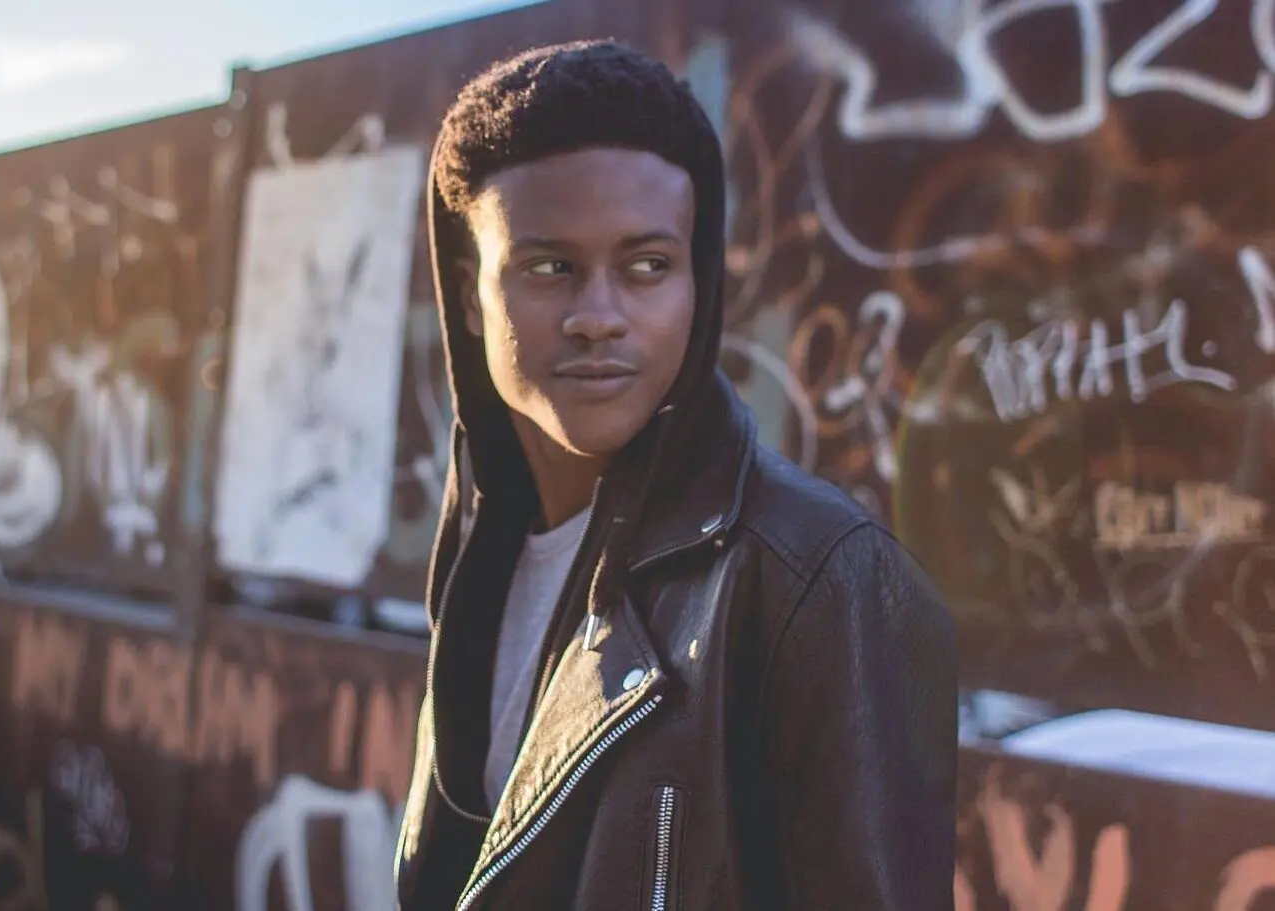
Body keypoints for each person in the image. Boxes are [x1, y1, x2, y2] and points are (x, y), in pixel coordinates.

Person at [393, 38, 958, 910]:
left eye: (647, 266)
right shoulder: (479, 553)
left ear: (697, 283)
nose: (598, 317)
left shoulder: (821, 577)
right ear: (471, 297)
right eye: (550, 268)